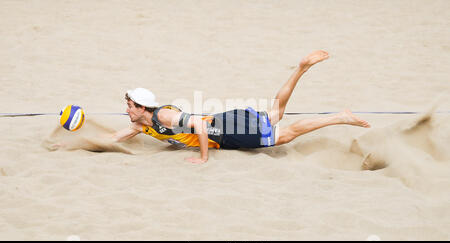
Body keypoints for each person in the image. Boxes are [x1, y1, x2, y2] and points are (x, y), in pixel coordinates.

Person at [111, 50, 370, 164]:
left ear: (143, 107)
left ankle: (339, 117)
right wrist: (75, 138)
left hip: (224, 131)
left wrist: (203, 158)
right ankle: (301, 69)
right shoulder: (141, 125)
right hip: (226, 120)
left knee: (284, 135)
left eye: (130, 105)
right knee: (275, 114)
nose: (127, 110)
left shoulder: (164, 116)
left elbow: (200, 126)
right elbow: (112, 138)